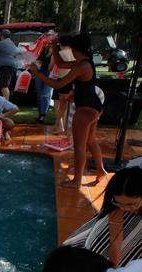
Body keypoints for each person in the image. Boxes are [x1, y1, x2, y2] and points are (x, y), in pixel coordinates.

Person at [30, 33, 107, 188]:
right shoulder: (84, 62)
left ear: (75, 48)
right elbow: (59, 63)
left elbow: (58, 85)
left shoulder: (82, 66)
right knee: (91, 141)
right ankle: (101, 170)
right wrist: (54, 45)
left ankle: (77, 180)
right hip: (94, 106)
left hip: (85, 108)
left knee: (79, 146)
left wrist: (38, 74)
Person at [64, 167, 142, 267]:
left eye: (132, 204)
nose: (125, 208)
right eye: (120, 203)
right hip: (111, 232)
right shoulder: (117, 206)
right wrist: (114, 271)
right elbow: (115, 239)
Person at [50, 36, 74, 134]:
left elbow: (50, 67)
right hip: (72, 80)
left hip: (61, 80)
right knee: (66, 105)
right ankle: (63, 125)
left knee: (57, 104)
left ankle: (60, 125)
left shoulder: (57, 54)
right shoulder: (75, 53)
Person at [0, 29, 20, 100]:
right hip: (13, 67)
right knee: (8, 87)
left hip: (6, 67)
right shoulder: (12, 44)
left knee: (4, 86)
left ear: (2, 36)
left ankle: (6, 104)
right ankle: (7, 103)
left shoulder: (1, 43)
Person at [34, 44, 54, 123]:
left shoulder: (55, 49)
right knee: (39, 94)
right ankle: (40, 114)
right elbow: (37, 59)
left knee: (45, 94)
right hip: (39, 72)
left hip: (50, 74)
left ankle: (43, 114)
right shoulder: (41, 48)